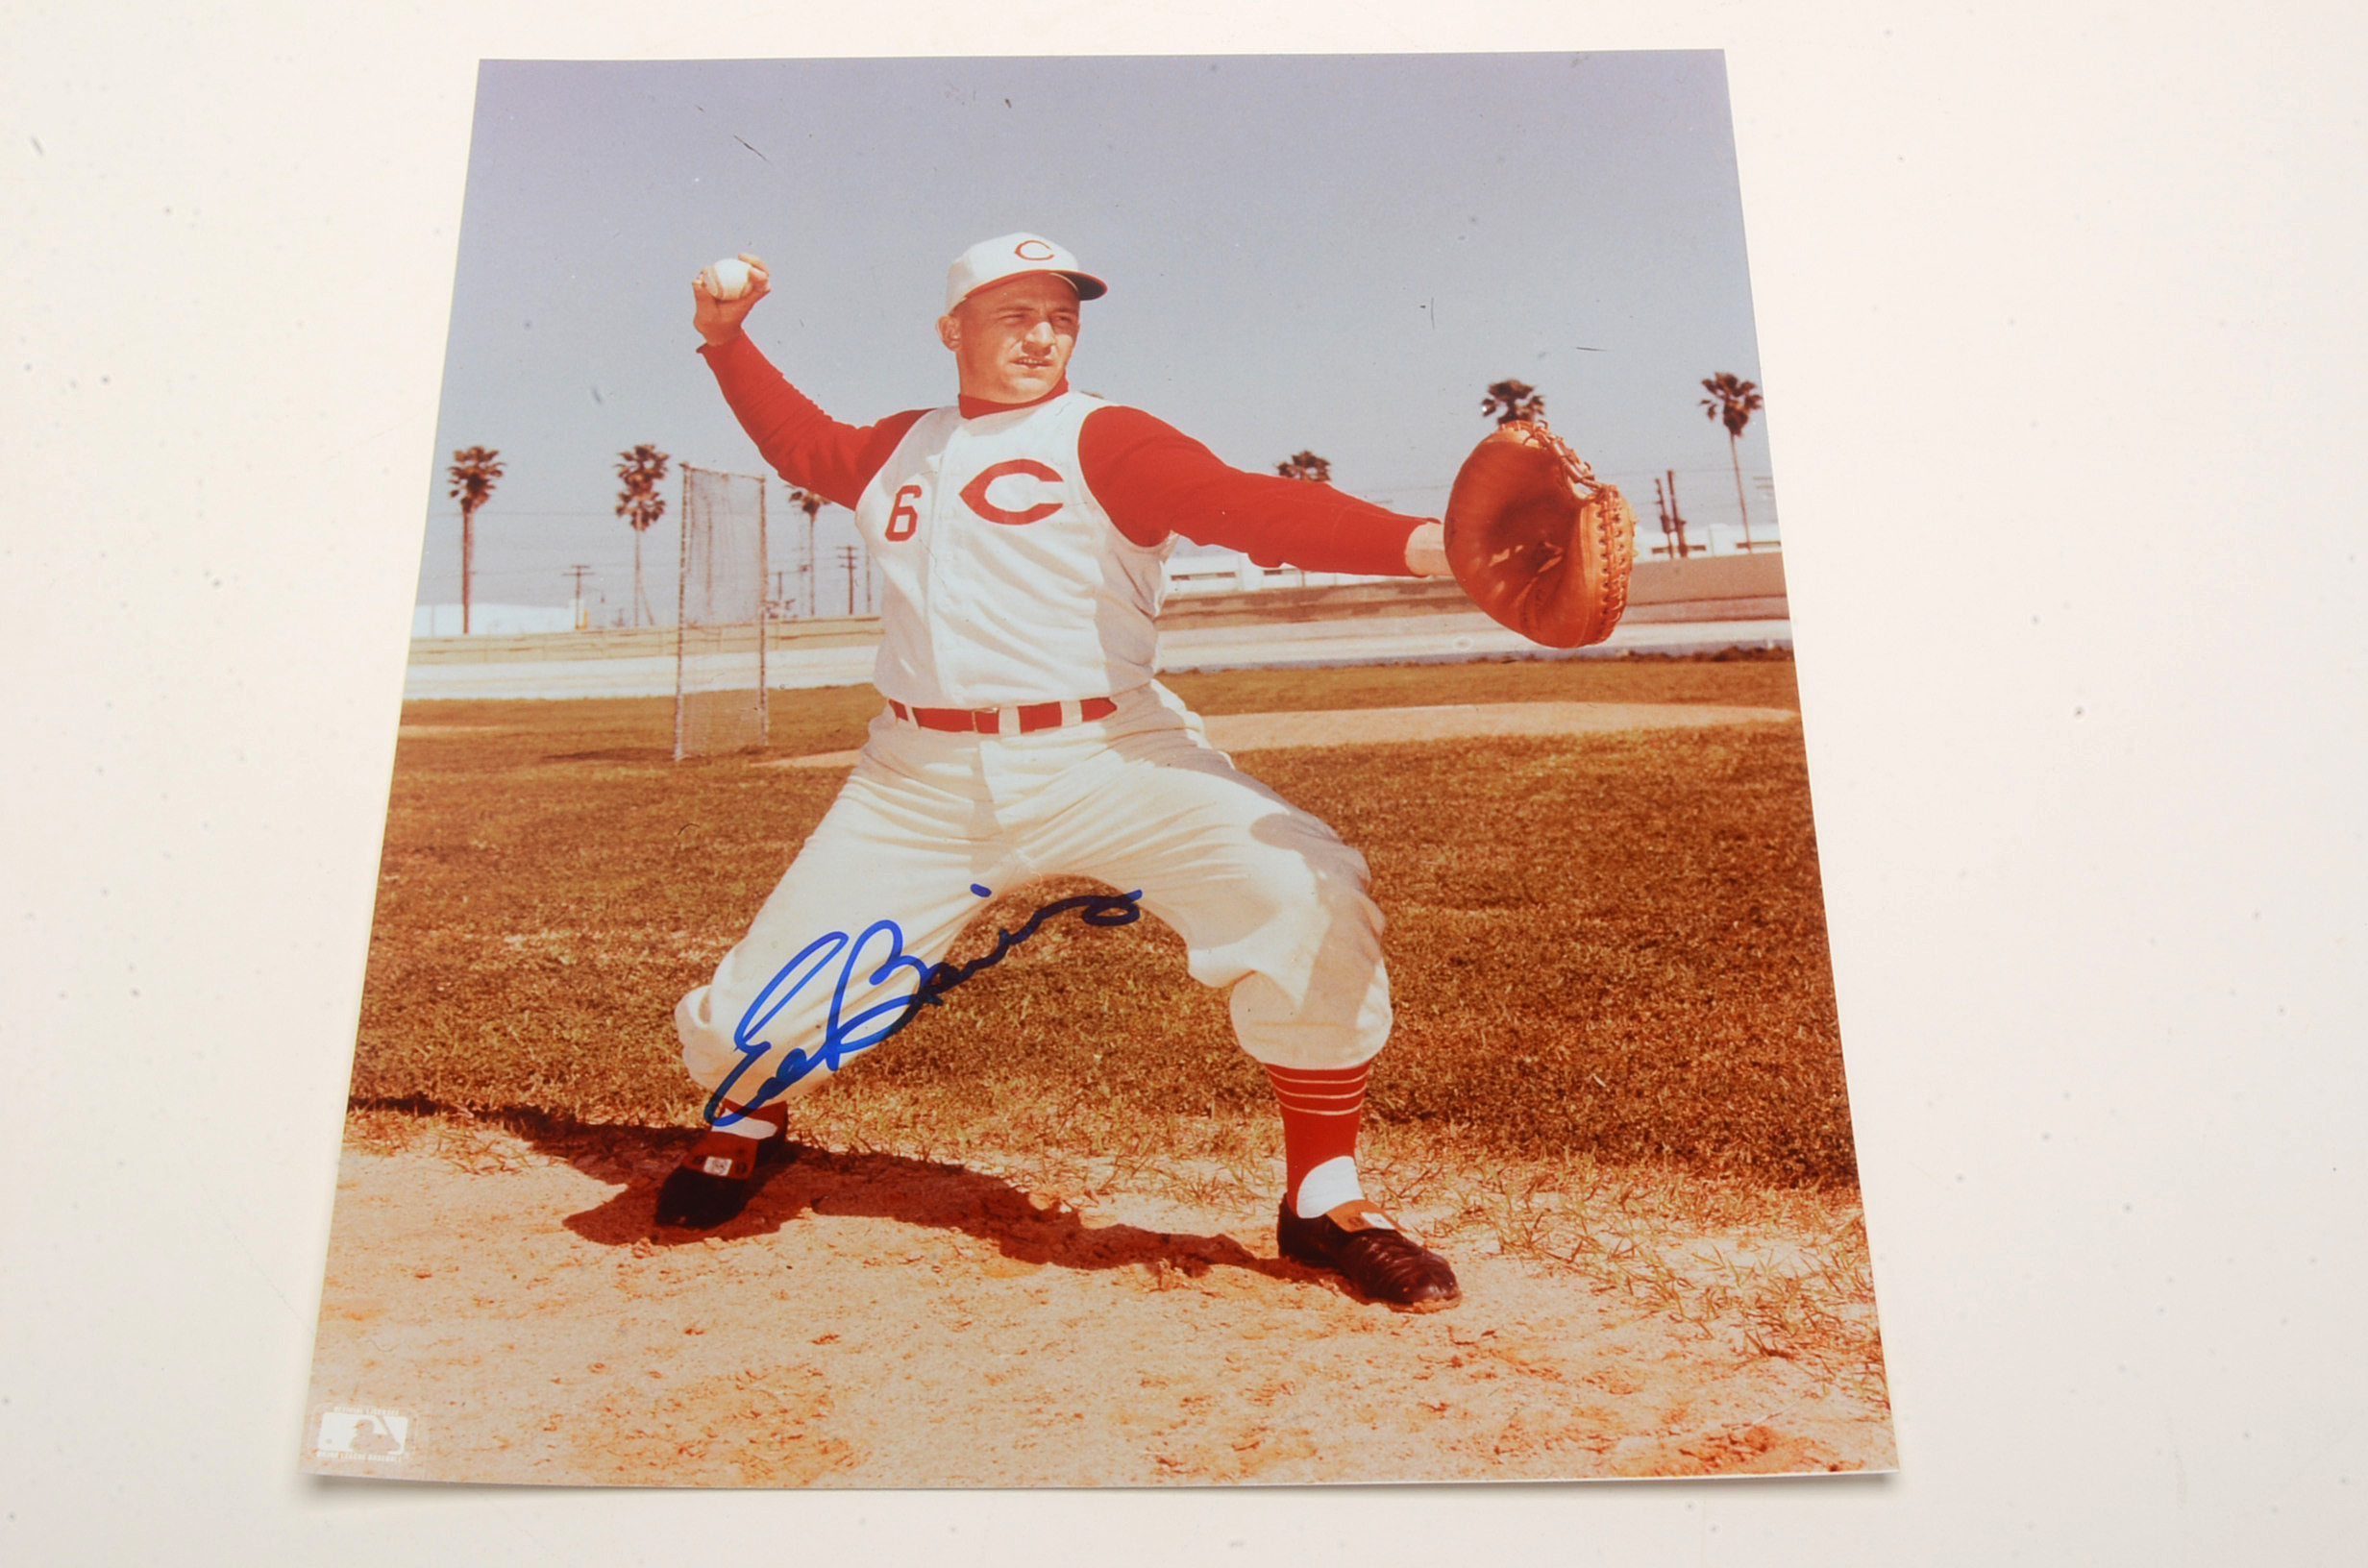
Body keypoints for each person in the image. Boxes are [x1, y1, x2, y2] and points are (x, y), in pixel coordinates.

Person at [657, 233, 1460, 1311]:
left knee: (1304, 887)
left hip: (1108, 752)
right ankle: (753, 1122)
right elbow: (803, 445)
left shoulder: (1105, 437)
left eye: (1060, 315)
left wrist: (1430, 546)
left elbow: (1246, 506)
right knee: (744, 1031)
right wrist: (725, 339)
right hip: (919, 778)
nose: (1042, 334)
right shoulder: (899, 447)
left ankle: (1324, 1200)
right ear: (953, 331)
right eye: (1011, 314)